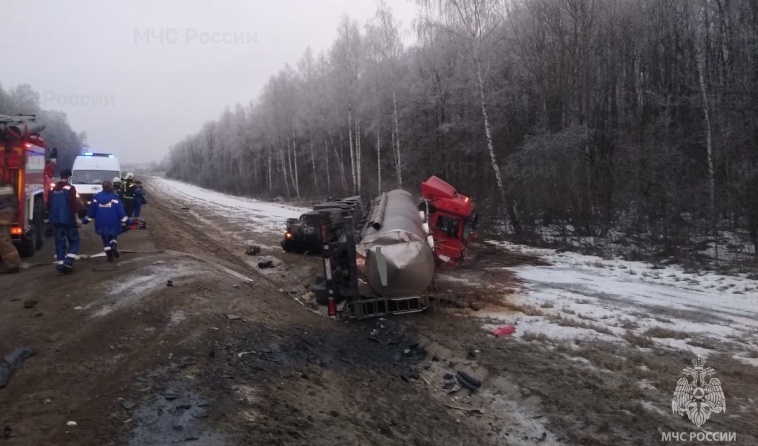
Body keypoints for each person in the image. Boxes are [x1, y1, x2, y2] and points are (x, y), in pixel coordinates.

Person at [81, 180, 132, 262]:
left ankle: (109, 255)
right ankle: (114, 246)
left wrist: (84, 221)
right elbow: (121, 213)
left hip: (100, 223)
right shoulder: (115, 198)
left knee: (105, 239)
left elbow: (91, 212)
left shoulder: (96, 197)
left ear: (102, 187)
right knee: (113, 236)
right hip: (113, 222)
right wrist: (129, 221)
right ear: (111, 187)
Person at [47, 169, 80, 273]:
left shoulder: (52, 189)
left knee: (59, 242)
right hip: (68, 220)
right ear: (69, 177)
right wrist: (77, 218)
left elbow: (48, 204)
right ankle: (68, 262)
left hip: (56, 221)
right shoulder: (70, 188)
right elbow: (73, 205)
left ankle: (60, 264)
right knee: (75, 241)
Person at [0, 184, 21, 274]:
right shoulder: (6, 188)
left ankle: (13, 265)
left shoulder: (4, 190)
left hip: (3, 217)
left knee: (4, 242)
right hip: (5, 216)